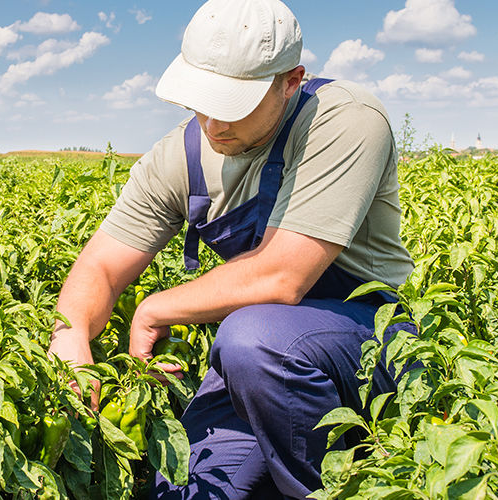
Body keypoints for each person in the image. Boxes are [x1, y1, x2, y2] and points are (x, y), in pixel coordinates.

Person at [46, 0, 416, 497]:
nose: (214, 124)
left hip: (366, 344)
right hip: (257, 363)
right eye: (202, 101)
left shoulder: (344, 119)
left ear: (291, 81)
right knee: (184, 488)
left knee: (253, 337)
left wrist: (155, 308)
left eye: (235, 105)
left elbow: (282, 276)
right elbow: (102, 267)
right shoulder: (181, 157)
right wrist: (69, 342)